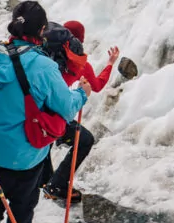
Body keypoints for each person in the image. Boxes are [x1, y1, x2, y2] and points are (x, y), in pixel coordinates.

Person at [0, 1, 90, 223]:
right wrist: (82, 93)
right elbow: (66, 108)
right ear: (42, 30)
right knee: (23, 204)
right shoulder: (43, 66)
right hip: (26, 154)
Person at [41, 20, 120, 204]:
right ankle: (56, 185)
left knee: (46, 141)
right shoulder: (81, 64)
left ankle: (45, 180)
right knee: (84, 140)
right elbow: (98, 85)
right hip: (55, 114)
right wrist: (110, 63)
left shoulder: (43, 54)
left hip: (35, 110)